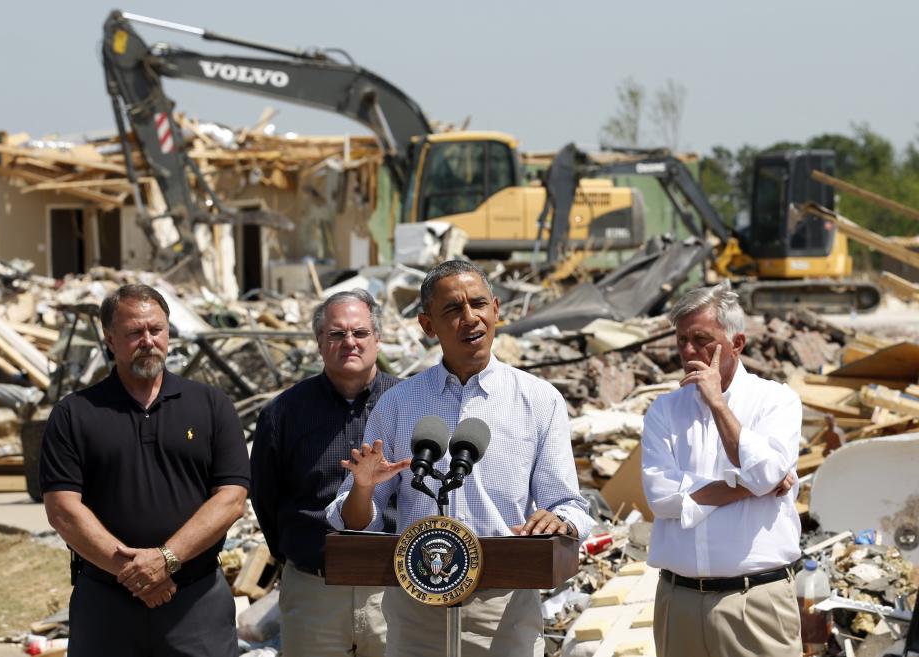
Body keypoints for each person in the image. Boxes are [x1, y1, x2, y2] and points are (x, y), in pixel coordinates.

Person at [326, 260, 595, 657]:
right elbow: (354, 521)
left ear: (497, 309)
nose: (470, 318)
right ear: (427, 325)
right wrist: (363, 488)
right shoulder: (399, 404)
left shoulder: (538, 400)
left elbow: (569, 505)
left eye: (478, 304)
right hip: (416, 612)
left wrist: (561, 521)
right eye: (452, 309)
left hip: (503, 611)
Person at [40, 284, 249, 657]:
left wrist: (166, 559)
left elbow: (231, 500)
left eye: (157, 329)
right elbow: (63, 510)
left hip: (196, 603)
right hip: (106, 605)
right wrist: (134, 572)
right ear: (110, 340)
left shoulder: (211, 405)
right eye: (135, 332)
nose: (148, 340)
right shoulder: (75, 414)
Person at [640, 280, 802, 657]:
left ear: (737, 344)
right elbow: (661, 499)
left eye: (701, 339)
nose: (689, 350)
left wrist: (718, 406)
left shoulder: (776, 401)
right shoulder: (664, 410)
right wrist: (743, 485)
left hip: (755, 602)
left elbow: (763, 475)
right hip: (678, 602)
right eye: (681, 340)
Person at [250, 290, 398, 657]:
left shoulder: (407, 404)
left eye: (360, 333)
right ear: (319, 342)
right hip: (314, 592)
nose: (349, 342)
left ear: (378, 338)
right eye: (336, 334)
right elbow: (265, 498)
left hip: (392, 589)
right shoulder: (283, 414)